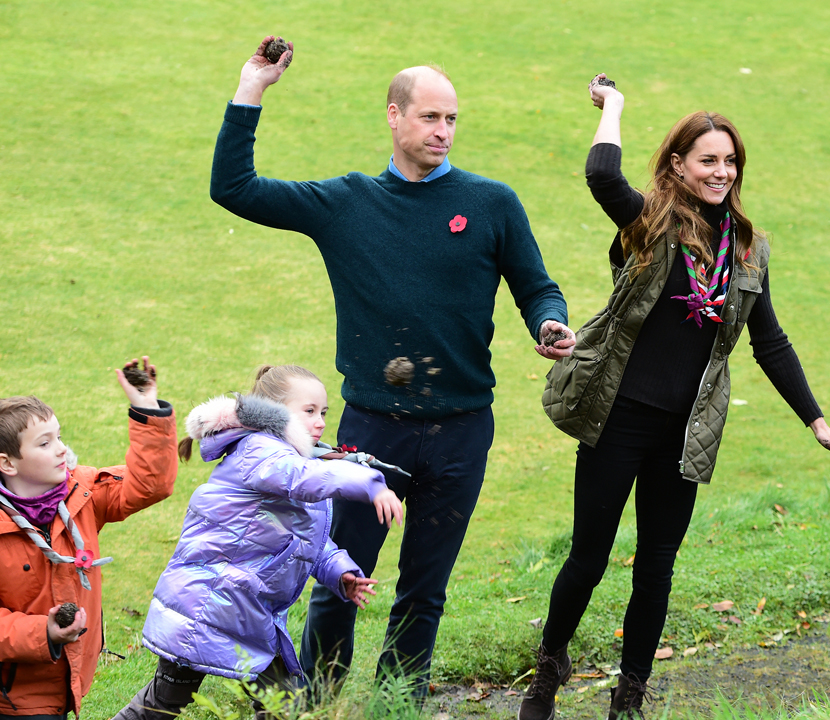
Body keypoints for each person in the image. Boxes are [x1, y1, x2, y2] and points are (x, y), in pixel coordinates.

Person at [207, 37, 575, 694]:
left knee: (424, 592)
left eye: (452, 118)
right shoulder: (346, 204)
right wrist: (252, 89)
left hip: (463, 431)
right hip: (370, 434)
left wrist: (548, 320)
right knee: (339, 582)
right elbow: (233, 188)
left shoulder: (493, 204)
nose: (444, 131)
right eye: (431, 117)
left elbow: (535, 285)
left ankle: (397, 705)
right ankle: (317, 704)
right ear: (394, 116)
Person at [524, 74, 830, 720]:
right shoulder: (648, 222)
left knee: (655, 568)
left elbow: (770, 341)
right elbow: (601, 175)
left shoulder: (748, 248)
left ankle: (630, 696)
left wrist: (816, 421)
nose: (722, 171)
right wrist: (614, 107)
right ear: (677, 165)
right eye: (708, 159)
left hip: (684, 432)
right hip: (617, 418)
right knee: (589, 557)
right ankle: (549, 665)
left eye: (730, 161)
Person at [113, 365, 404, 720]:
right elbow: (306, 479)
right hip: (211, 603)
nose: (321, 422)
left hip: (246, 610)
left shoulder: (290, 456)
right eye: (309, 411)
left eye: (324, 412)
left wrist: (340, 573)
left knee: (282, 705)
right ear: (276, 413)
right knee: (162, 703)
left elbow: (304, 541)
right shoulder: (261, 450)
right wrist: (370, 483)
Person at [0, 358, 178, 720]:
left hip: (60, 682)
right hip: (12, 695)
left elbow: (150, 484)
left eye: (59, 436)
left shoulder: (81, 493)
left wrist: (145, 408)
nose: (62, 449)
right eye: (45, 443)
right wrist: (42, 633)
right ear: (8, 464)